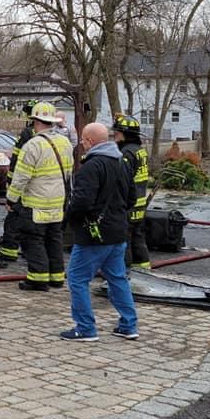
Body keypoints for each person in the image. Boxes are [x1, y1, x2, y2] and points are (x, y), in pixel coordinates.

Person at [60, 122, 138, 342]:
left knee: (77, 278)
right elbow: (131, 197)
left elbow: (81, 202)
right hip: (118, 232)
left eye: (83, 140)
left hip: (94, 236)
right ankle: (129, 325)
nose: (81, 144)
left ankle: (85, 328)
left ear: (90, 141)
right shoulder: (122, 163)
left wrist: (71, 221)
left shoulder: (91, 166)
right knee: (117, 278)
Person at [6, 101, 74, 291]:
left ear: (35, 121)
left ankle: (38, 279)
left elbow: (20, 177)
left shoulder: (32, 145)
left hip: (35, 205)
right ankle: (57, 277)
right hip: (58, 204)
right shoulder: (65, 142)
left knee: (33, 239)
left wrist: (11, 199)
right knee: (54, 239)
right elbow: (69, 173)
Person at [0, 99, 36, 267]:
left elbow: (17, 160)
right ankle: (29, 250)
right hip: (40, 191)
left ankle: (9, 251)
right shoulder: (55, 136)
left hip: (23, 184)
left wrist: (11, 184)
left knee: (14, 217)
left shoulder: (27, 133)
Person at [112, 113, 151, 270]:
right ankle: (143, 268)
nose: (115, 134)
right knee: (138, 236)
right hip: (140, 203)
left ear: (125, 134)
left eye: (117, 132)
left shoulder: (126, 153)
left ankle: (124, 271)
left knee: (125, 239)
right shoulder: (140, 150)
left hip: (129, 203)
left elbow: (123, 179)